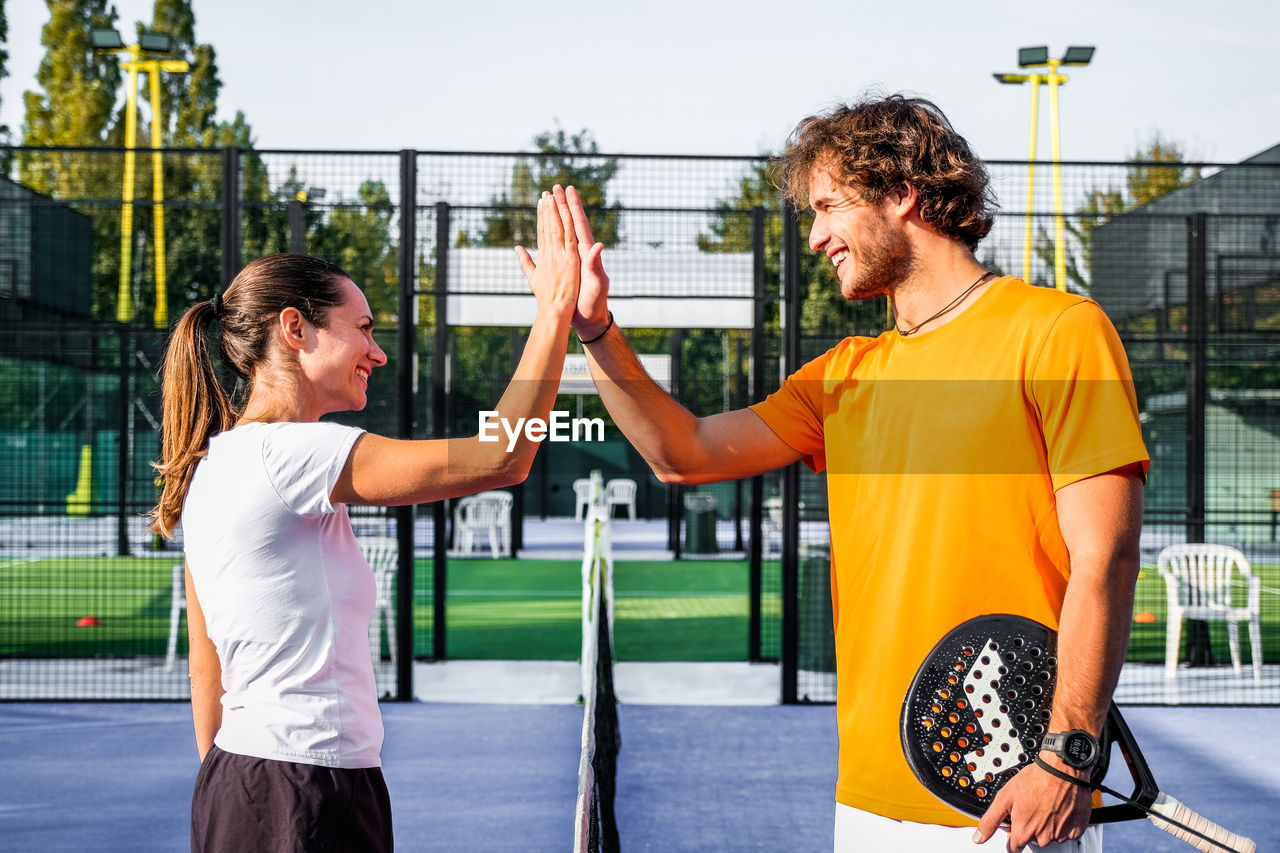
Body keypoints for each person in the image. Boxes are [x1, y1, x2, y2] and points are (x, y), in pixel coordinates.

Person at [563, 96, 1148, 852]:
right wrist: (596, 330)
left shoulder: (1061, 333)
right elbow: (684, 452)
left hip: (1010, 801)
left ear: (901, 192)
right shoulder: (843, 377)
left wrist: (1068, 755)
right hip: (868, 800)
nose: (815, 236)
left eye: (829, 205)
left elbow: (1107, 557)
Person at [149, 188, 582, 852]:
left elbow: (206, 668)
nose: (377, 352)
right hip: (305, 791)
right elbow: (504, 455)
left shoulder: (212, 468)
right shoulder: (292, 454)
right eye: (364, 327)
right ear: (295, 329)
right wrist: (554, 311)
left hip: (252, 783)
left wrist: (242, 798)